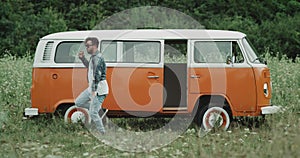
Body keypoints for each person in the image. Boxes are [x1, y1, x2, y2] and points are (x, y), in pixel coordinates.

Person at [75, 37, 108, 134]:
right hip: (92, 88)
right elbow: (90, 68)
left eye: (88, 46)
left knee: (93, 113)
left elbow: (97, 75)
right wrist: (82, 59)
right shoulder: (93, 57)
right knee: (78, 102)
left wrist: (94, 90)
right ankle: (96, 108)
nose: (86, 48)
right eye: (86, 46)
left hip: (99, 89)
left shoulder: (97, 58)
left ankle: (102, 132)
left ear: (94, 46)